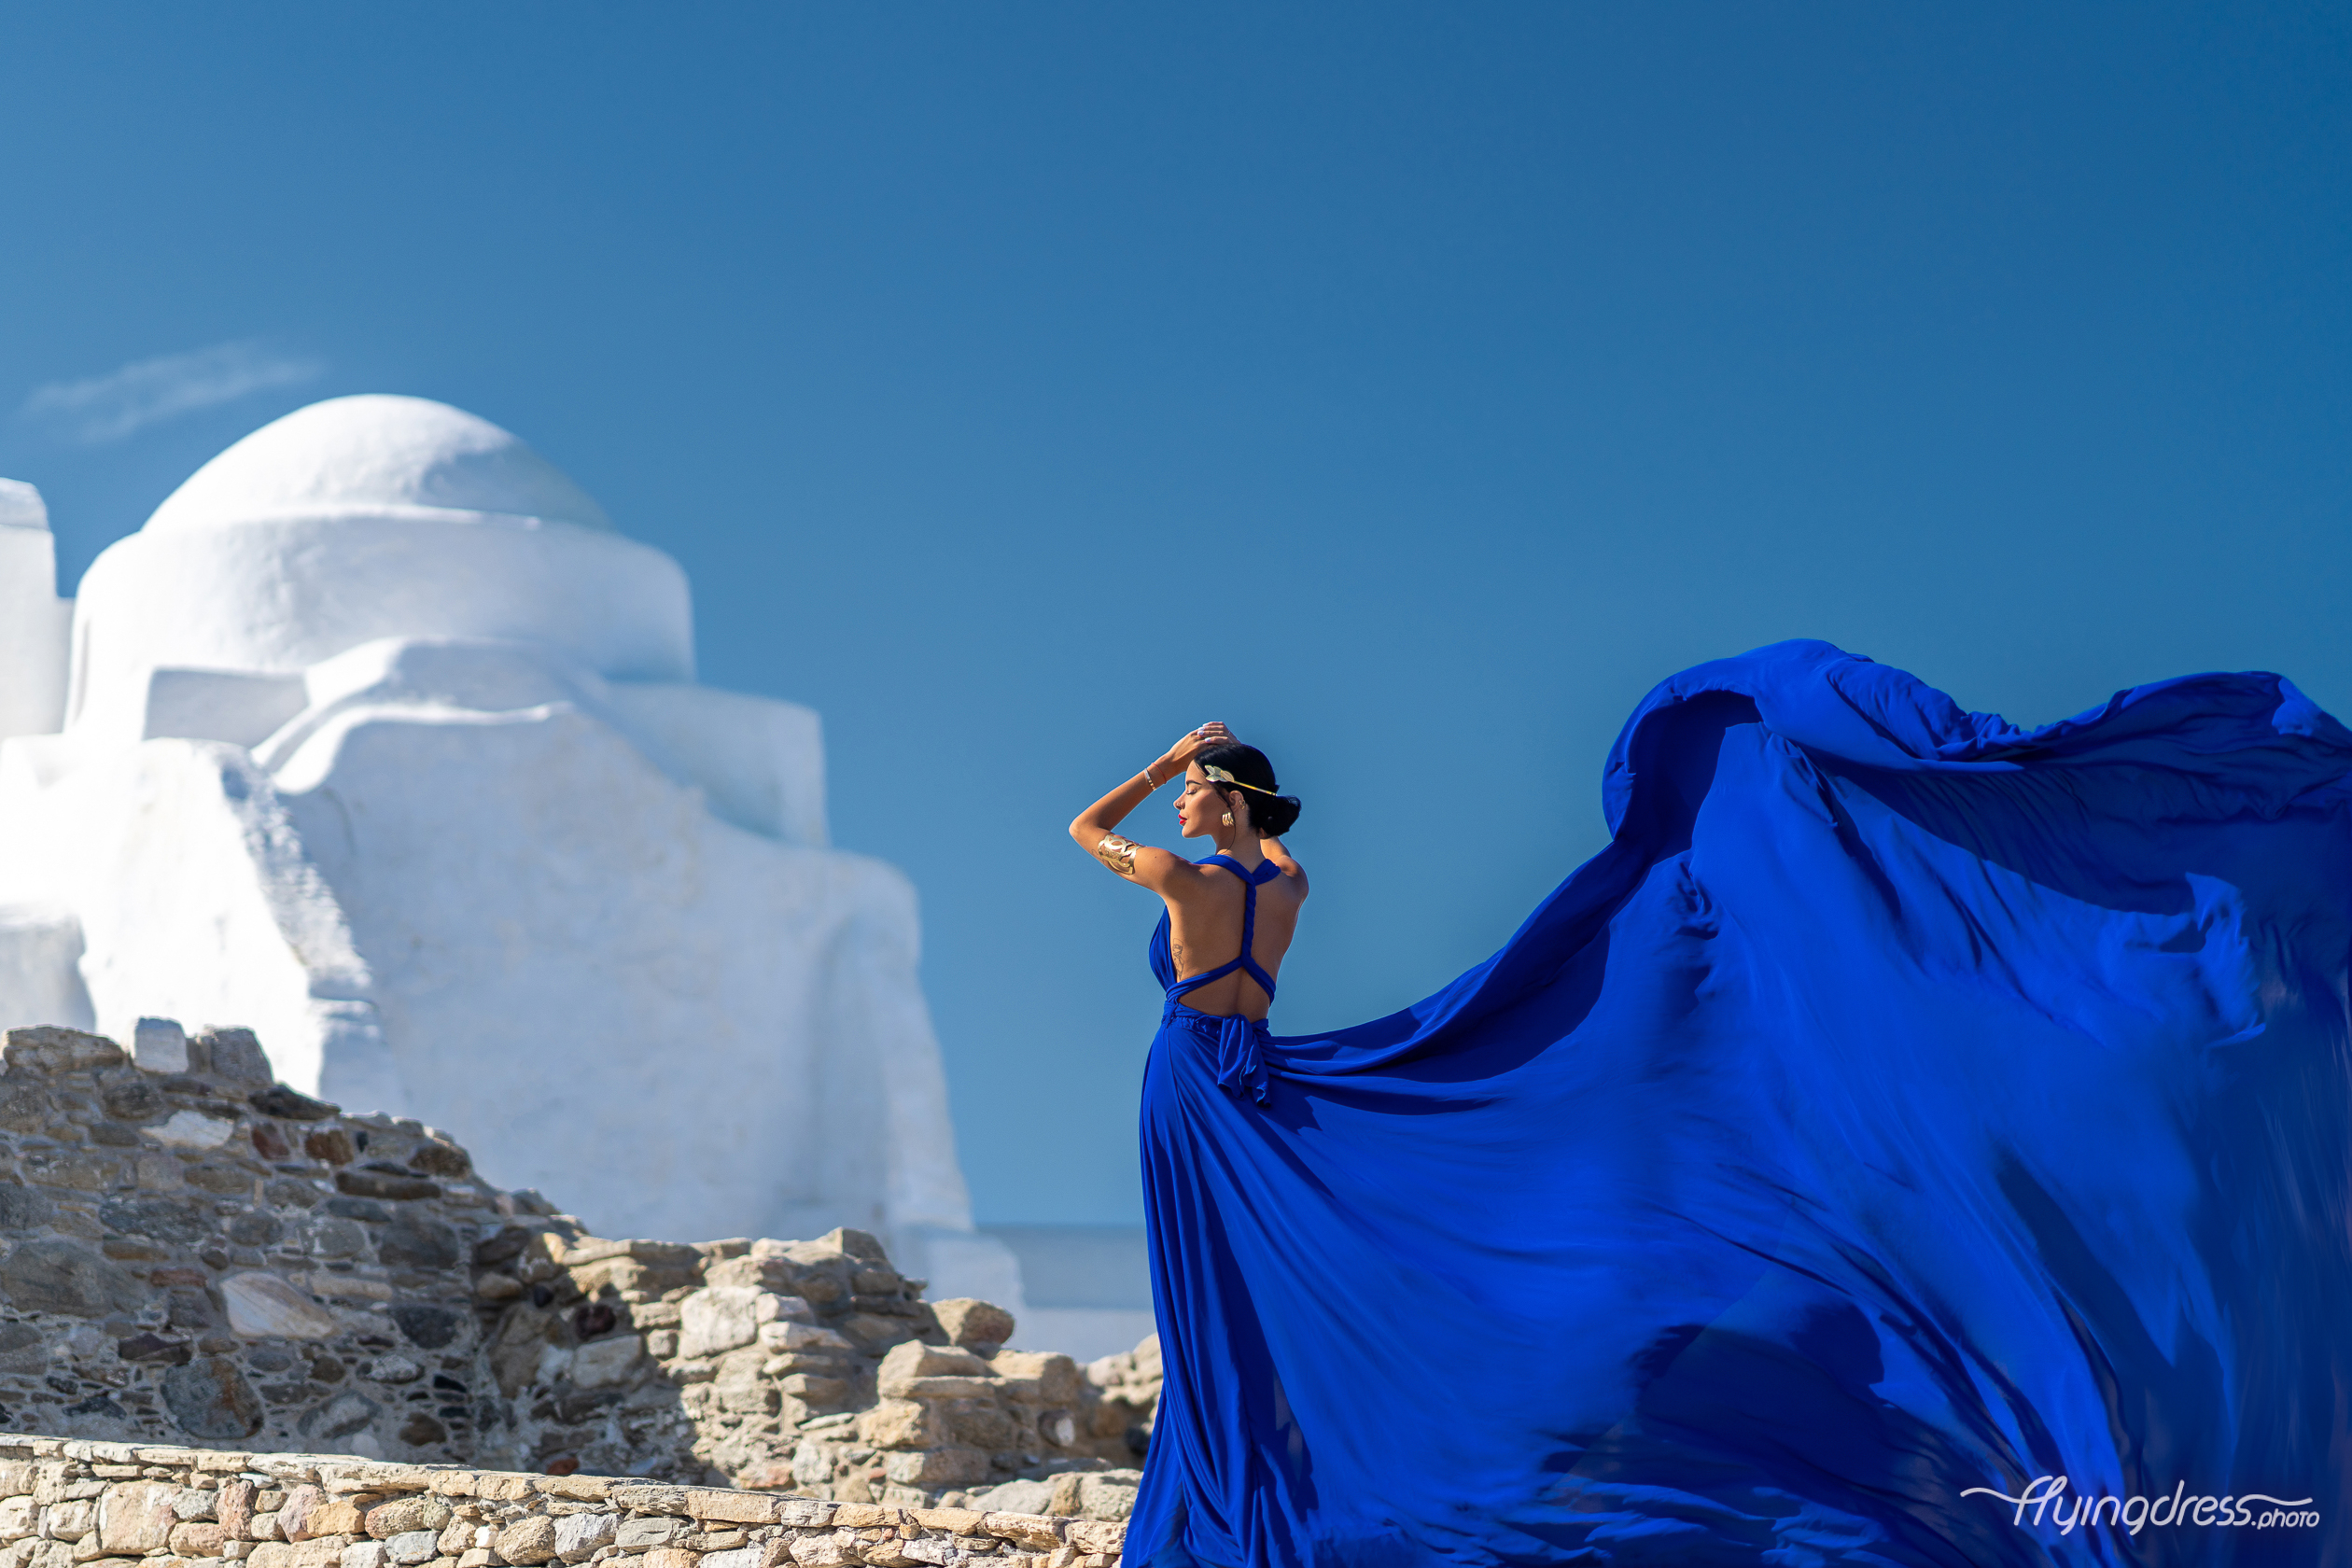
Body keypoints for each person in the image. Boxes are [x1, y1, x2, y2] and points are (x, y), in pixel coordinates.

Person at [1059, 646, 2349, 1568]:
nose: (1178, 802)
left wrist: (1165, 758)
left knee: (1223, 1286)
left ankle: (1242, 1495)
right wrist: (1239, 790)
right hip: (1261, 1065)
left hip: (1193, 1082)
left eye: (1192, 791)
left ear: (1207, 804)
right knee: (1283, 1268)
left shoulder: (1176, 871)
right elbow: (1276, 844)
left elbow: (1080, 827)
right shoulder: (1278, 886)